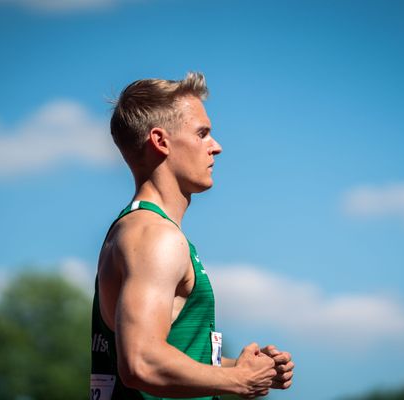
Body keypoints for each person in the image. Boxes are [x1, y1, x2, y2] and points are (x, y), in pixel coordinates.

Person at [90, 72, 294, 400]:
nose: (217, 147)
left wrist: (247, 369)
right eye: (202, 133)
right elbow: (140, 362)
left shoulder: (139, 229)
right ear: (160, 141)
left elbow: (171, 353)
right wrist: (239, 381)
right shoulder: (155, 237)